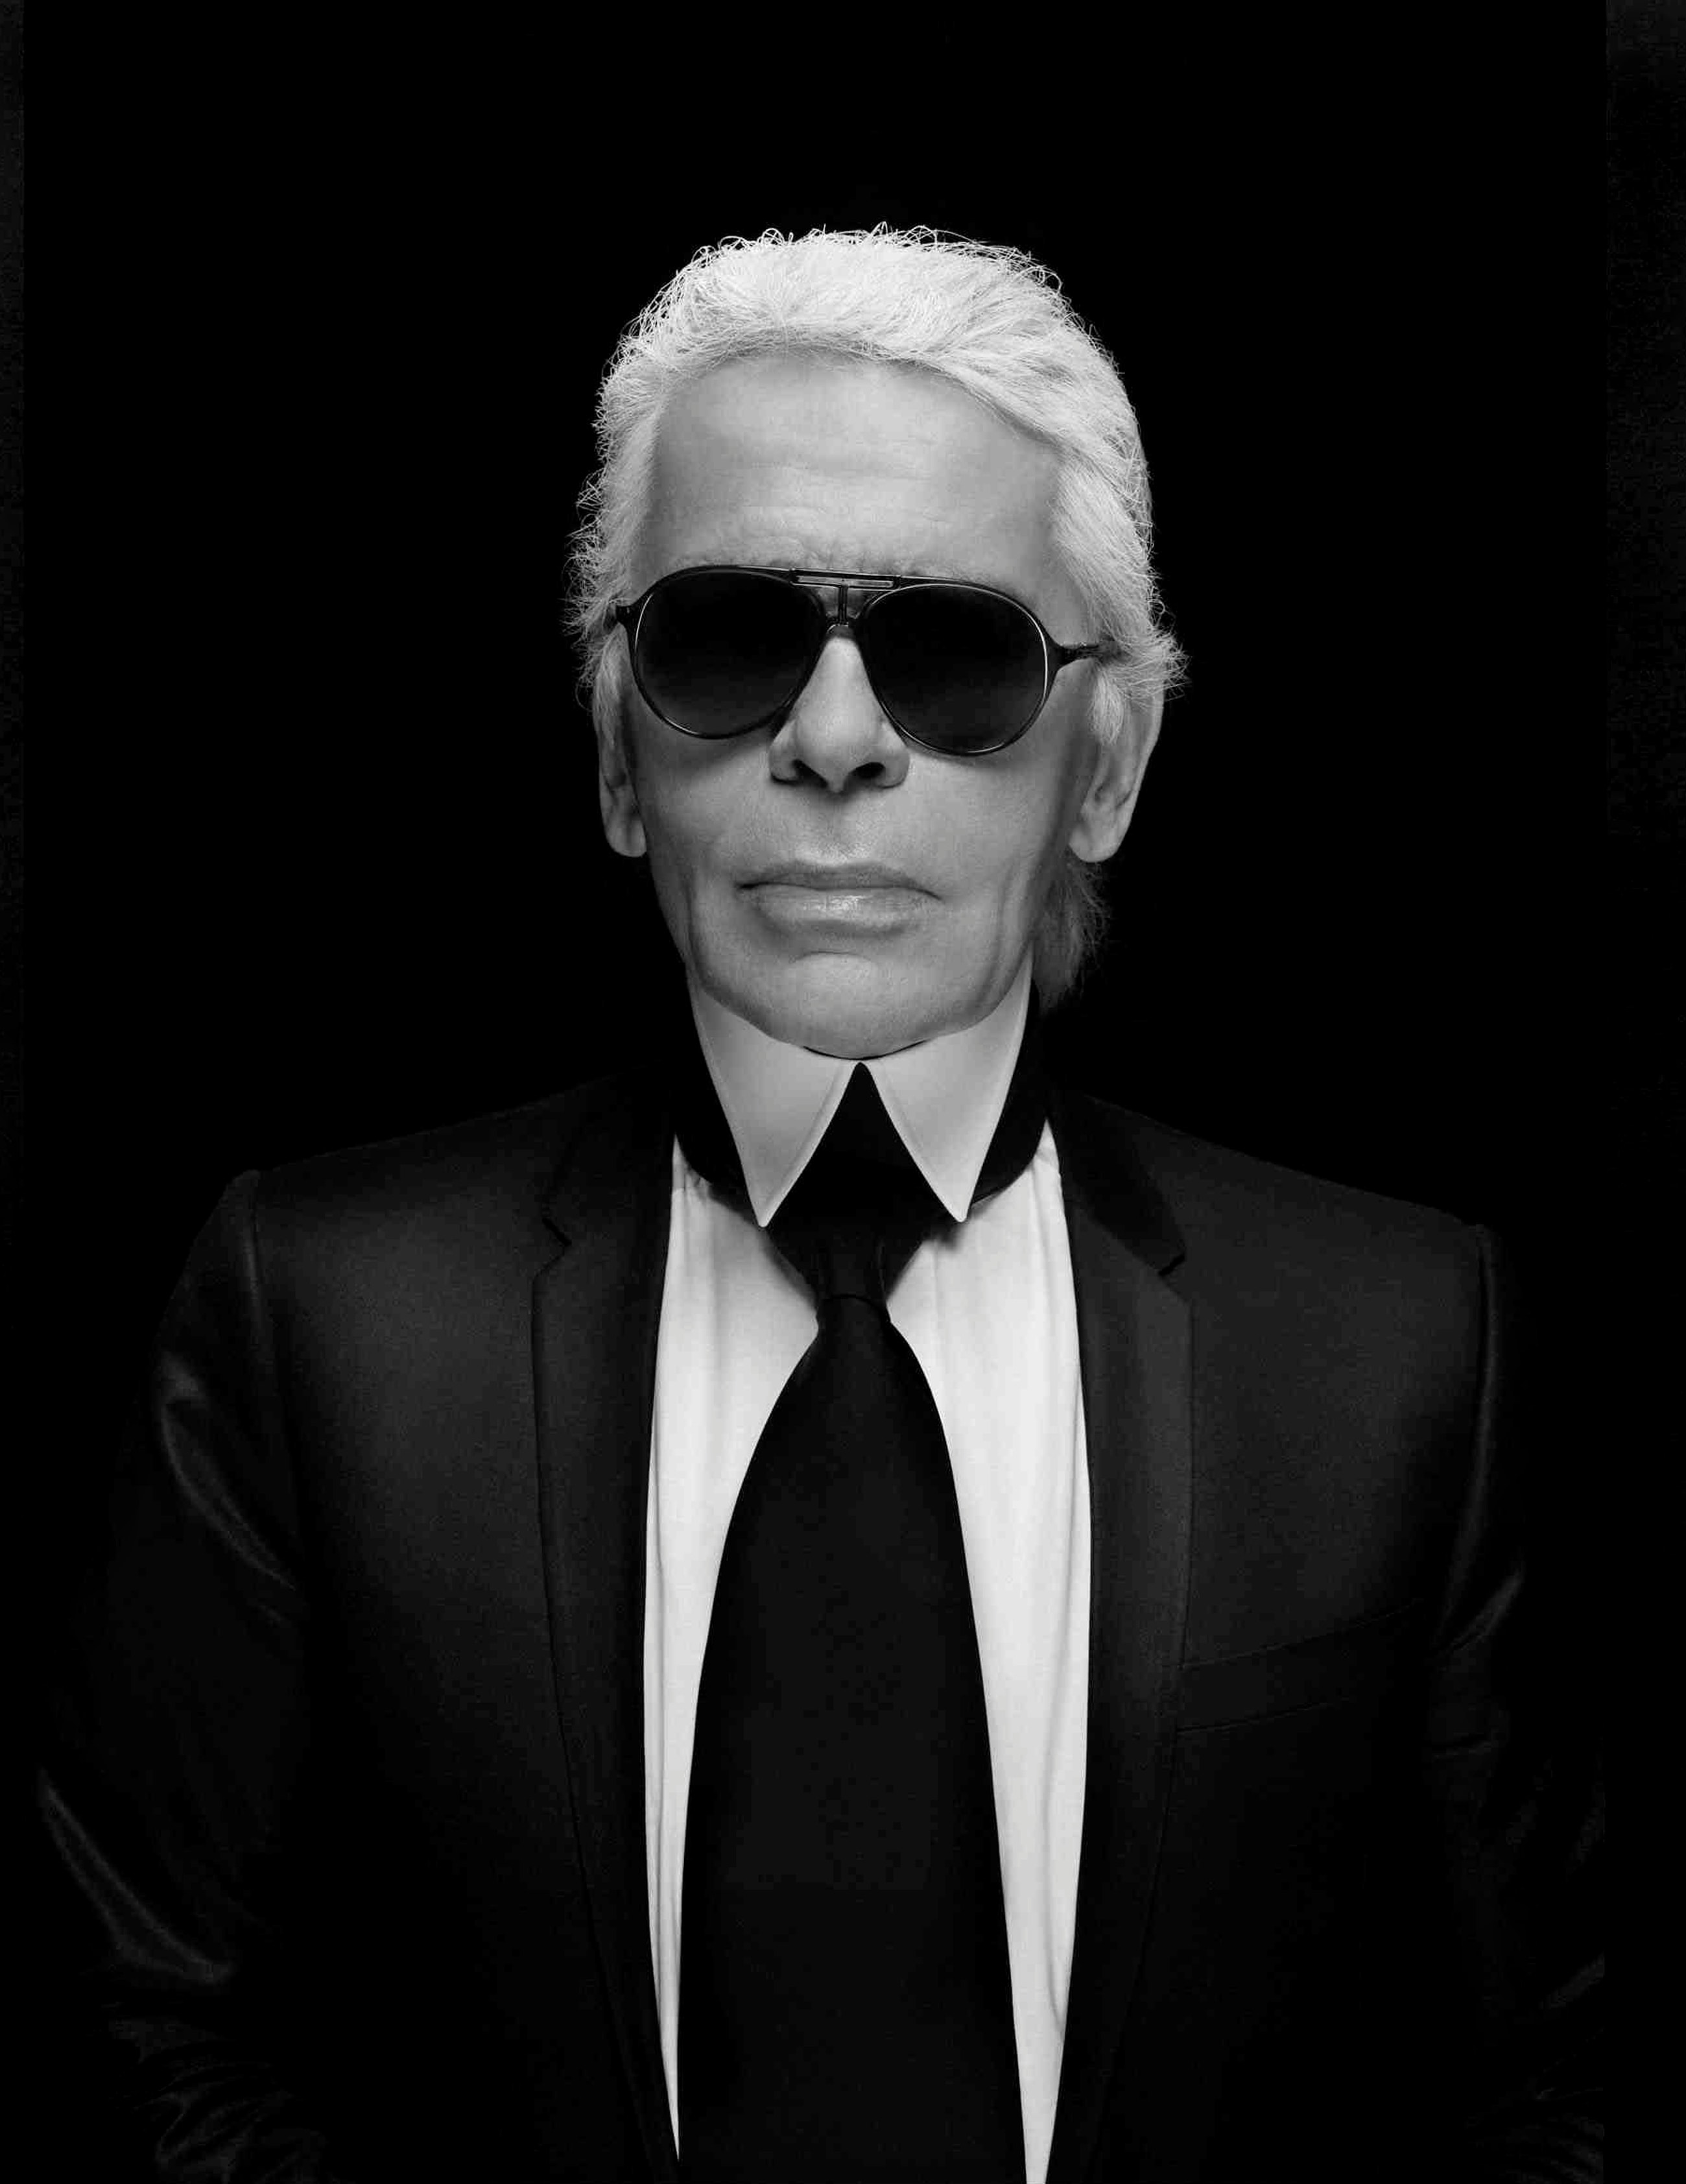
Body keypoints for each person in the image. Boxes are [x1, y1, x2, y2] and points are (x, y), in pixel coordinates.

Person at [37, 228, 1601, 2183]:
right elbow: (133, 2022)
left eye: (960, 656)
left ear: (1107, 770)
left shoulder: (1397, 1347)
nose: (838, 738)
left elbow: (1566, 2076)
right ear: (620, 754)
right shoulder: (323, 1316)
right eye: (726, 640)